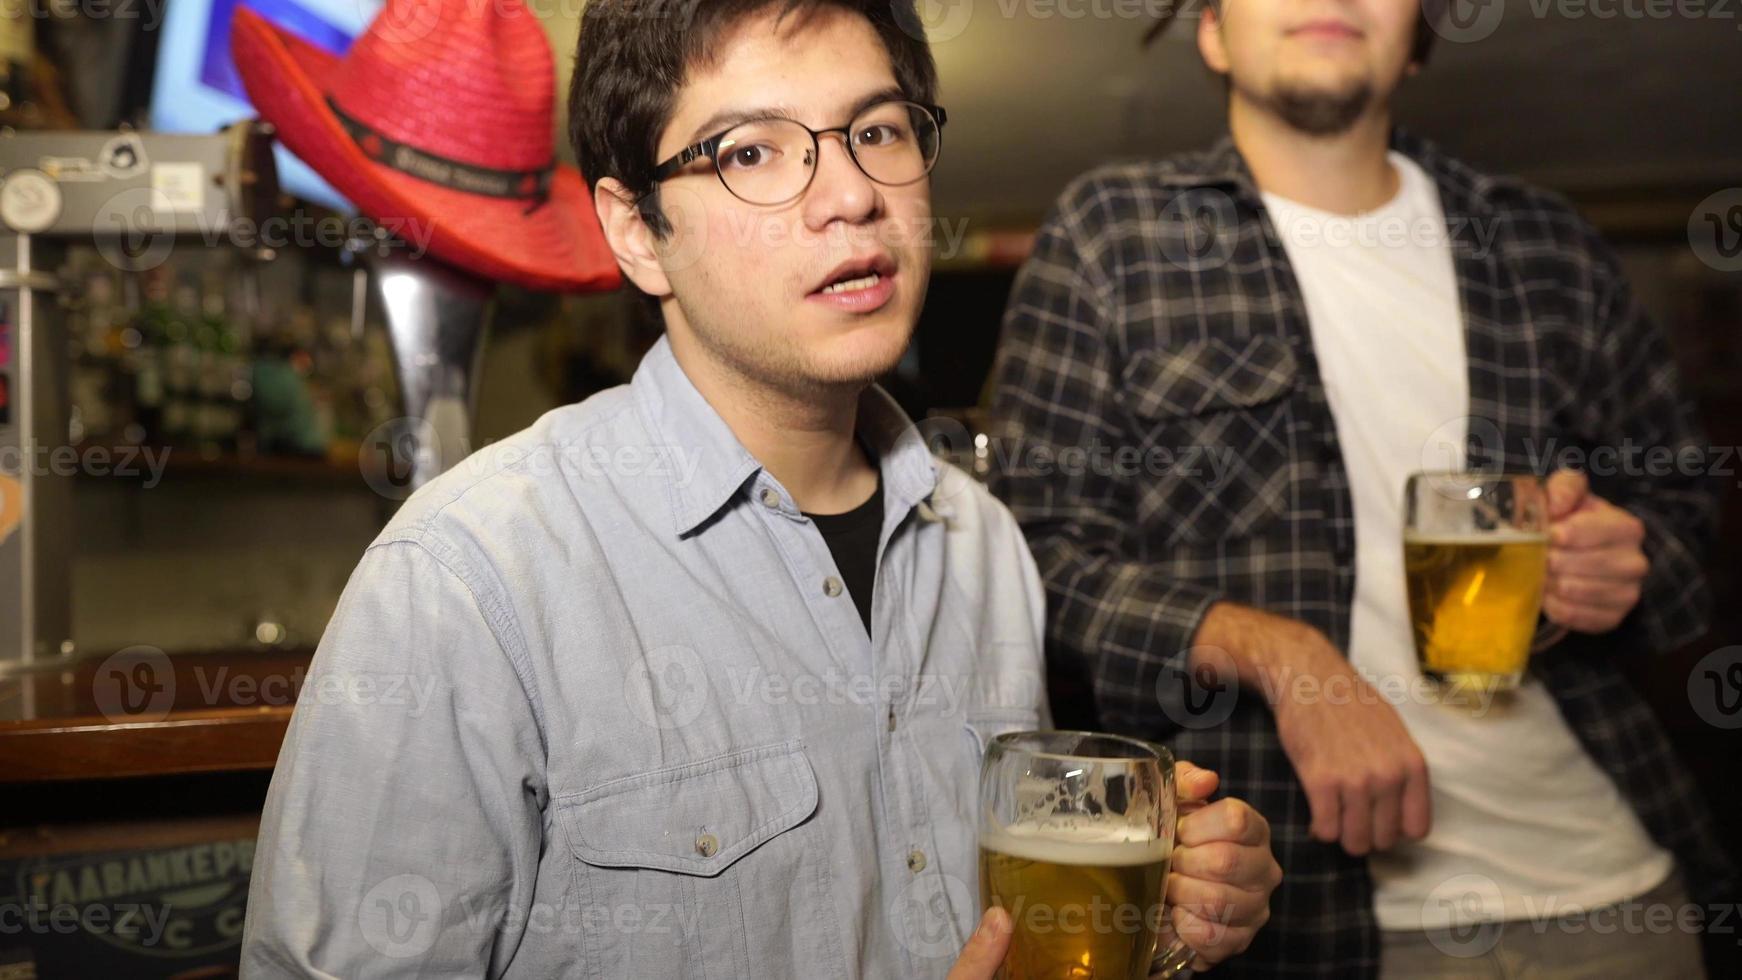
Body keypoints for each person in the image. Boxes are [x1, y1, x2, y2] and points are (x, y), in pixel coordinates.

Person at [240, 1, 1283, 976]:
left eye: (875, 131)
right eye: (750, 152)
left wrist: (1168, 919)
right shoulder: (469, 578)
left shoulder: (983, 543)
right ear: (637, 230)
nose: (849, 195)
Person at [989, 0, 1734, 976]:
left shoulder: (1542, 244)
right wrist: (1279, 652)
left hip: (1602, 889)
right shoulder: (1112, 235)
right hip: (1285, 922)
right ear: (1211, 33)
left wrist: (1616, 562)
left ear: (1416, 37)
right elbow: (1029, 562)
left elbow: (1682, 515)